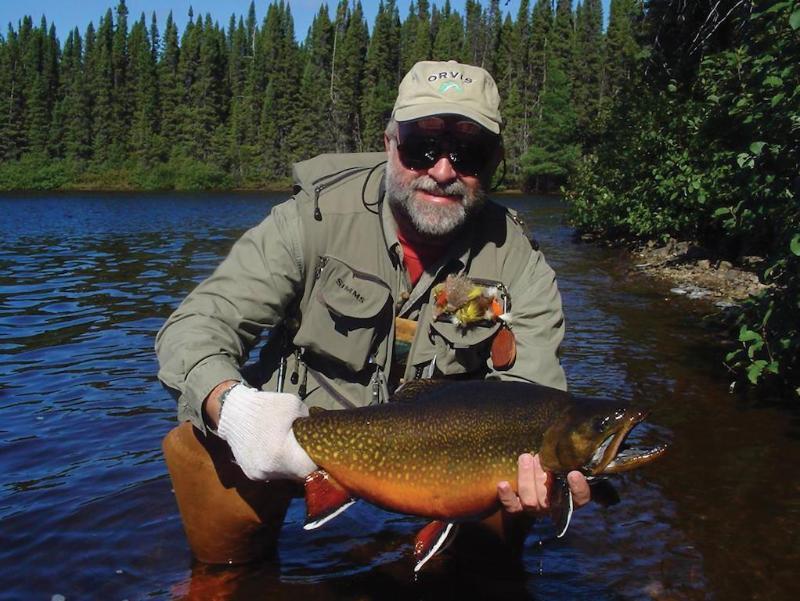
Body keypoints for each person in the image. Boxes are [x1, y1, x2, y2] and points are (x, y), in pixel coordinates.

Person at [156, 60, 590, 566]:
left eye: (467, 152)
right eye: (422, 147)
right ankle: (218, 583)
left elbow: (536, 394)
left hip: (447, 465)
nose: (443, 170)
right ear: (389, 144)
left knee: (505, 528)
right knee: (199, 447)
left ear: (492, 163)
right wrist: (233, 409)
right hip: (293, 442)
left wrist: (549, 477)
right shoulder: (313, 220)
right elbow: (197, 324)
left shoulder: (517, 262)